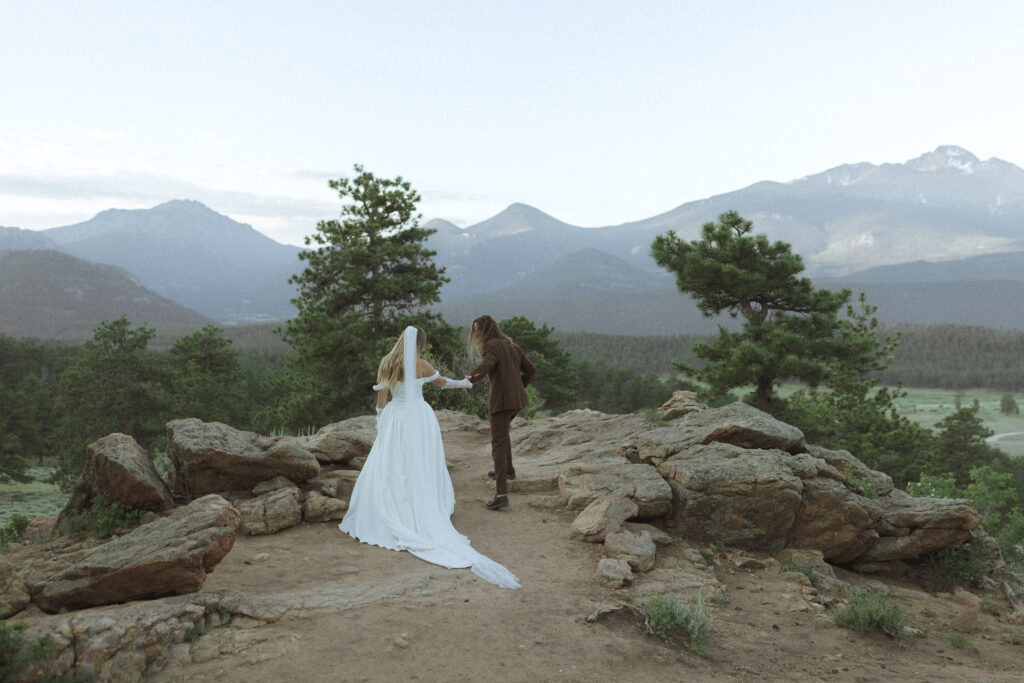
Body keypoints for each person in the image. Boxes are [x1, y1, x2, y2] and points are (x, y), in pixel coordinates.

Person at [339, 326, 520, 589]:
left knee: (393, 464)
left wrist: (380, 421)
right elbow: (443, 383)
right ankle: (422, 503)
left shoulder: (386, 363)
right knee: (420, 462)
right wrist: (465, 383)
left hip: (396, 417)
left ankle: (395, 503)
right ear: (419, 344)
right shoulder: (420, 364)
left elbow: (381, 399)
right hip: (418, 419)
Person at [465, 315, 537, 510]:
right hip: (516, 400)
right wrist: (519, 387)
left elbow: (487, 364)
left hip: (502, 401)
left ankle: (501, 494)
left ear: (484, 331)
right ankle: (508, 471)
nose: (475, 334)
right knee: (503, 435)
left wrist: (470, 378)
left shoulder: (491, 346)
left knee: (497, 442)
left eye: (477, 330)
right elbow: (531, 369)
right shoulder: (510, 345)